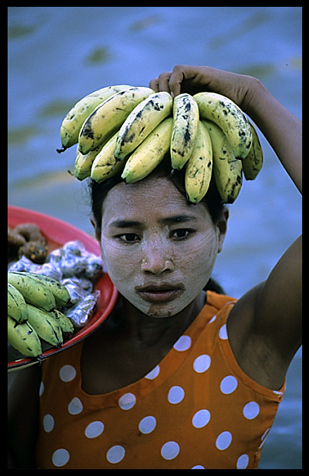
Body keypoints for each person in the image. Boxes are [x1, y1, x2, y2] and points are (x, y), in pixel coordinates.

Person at [8, 65, 302, 469]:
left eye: (180, 233)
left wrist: (252, 96)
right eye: (128, 237)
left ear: (220, 230)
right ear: (96, 234)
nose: (156, 263)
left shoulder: (252, 340)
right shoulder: (56, 335)